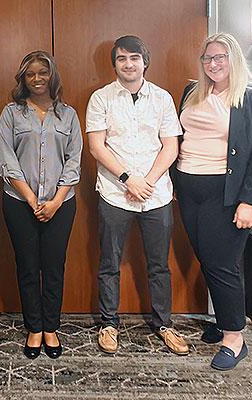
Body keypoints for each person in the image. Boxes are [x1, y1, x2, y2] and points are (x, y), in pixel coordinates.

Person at [175, 32, 252, 371]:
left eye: (221, 57)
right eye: (208, 58)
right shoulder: (192, 92)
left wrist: (250, 201)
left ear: (234, 59)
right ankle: (224, 320)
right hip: (190, 189)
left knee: (222, 264)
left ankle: (234, 338)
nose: (213, 64)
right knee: (209, 259)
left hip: (228, 192)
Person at [85, 35, 189, 356]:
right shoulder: (101, 98)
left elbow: (171, 145)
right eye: (121, 59)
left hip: (156, 196)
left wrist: (148, 181)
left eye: (134, 58)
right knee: (109, 262)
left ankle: (164, 325)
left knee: (158, 264)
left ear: (145, 61)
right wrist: (128, 179)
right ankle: (108, 324)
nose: (128, 64)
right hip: (115, 193)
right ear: (114, 64)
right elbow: (96, 146)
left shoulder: (162, 98)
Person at [0, 51, 81, 360]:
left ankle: (51, 327)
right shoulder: (11, 113)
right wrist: (32, 199)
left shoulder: (68, 115)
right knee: (28, 266)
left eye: (42, 72)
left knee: (54, 267)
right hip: (20, 203)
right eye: (30, 73)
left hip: (62, 204)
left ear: (52, 75)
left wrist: (56, 200)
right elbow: (5, 159)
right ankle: (34, 327)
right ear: (23, 78)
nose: (37, 78)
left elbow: (74, 160)